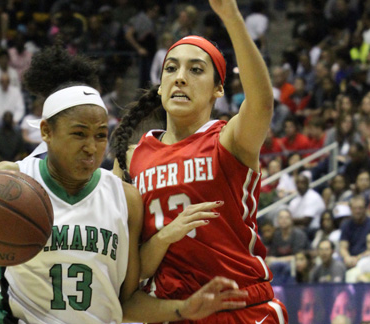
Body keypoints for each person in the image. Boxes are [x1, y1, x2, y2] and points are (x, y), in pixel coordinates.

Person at [0, 46, 248, 324]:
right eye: (79, 134)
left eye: (101, 136)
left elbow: (127, 301)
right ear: (46, 133)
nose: (92, 147)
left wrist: (182, 309)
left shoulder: (125, 198)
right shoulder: (8, 181)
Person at [112, 0, 288, 322]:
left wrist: (231, 17)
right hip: (171, 311)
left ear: (218, 89)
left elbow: (262, 104)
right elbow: (128, 268)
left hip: (240, 308)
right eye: (171, 68)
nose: (180, 78)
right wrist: (165, 236)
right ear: (161, 83)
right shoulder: (130, 158)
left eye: (196, 70)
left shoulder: (228, 140)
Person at [339, 195, 370, 268]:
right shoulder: (345, 224)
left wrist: (359, 258)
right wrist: (347, 257)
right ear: (351, 209)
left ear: (365, 209)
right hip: (350, 259)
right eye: (355, 208)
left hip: (369, 257)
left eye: (360, 208)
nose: (357, 211)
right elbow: (343, 247)